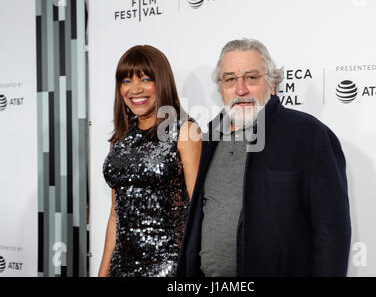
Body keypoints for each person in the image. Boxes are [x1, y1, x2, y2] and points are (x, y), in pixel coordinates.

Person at [176, 38, 351, 277]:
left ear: (271, 83)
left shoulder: (309, 135)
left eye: (251, 77)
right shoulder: (208, 136)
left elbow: (332, 232)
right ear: (221, 89)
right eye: (230, 79)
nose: (240, 89)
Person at [98, 45, 202, 277]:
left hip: (168, 265)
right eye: (126, 81)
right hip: (121, 266)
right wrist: (103, 272)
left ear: (162, 82)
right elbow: (115, 213)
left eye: (145, 79)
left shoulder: (185, 131)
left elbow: (198, 210)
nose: (135, 89)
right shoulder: (120, 140)